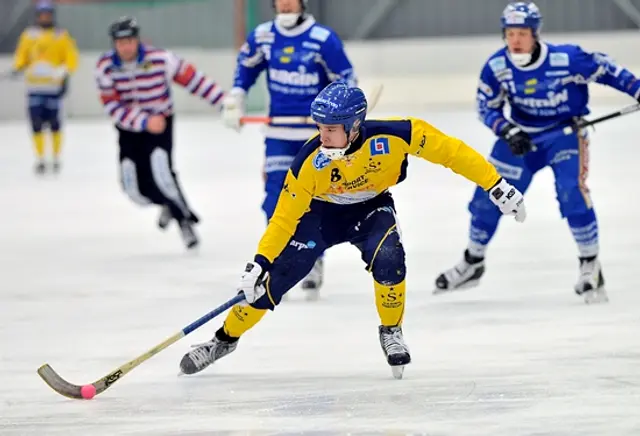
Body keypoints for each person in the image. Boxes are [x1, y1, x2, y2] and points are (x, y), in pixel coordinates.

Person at [178, 81, 526, 379]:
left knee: (390, 259)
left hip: (371, 209)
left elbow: (453, 153)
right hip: (320, 216)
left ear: (355, 126)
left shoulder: (398, 134)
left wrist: (495, 185)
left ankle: (391, 331)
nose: (322, 136)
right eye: (320, 128)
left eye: (330, 129)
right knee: (271, 283)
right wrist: (259, 262)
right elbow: (283, 219)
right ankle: (222, 340)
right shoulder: (308, 162)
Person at [434, 2, 640, 303]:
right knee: (487, 198)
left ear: (536, 33)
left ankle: (590, 265)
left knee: (571, 192)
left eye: (522, 33)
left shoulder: (567, 59)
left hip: (564, 135)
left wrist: (637, 89)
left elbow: (607, 69)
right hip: (521, 138)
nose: (515, 40)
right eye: (510, 33)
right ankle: (473, 262)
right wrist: (506, 130)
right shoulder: (497, 67)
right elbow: (485, 107)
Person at [221, 0, 357, 294]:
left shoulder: (323, 39)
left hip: (316, 136)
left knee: (314, 202)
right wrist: (237, 96)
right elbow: (246, 67)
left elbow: (346, 78)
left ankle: (313, 258)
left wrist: (340, 111)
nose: (284, 4)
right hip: (279, 134)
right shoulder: (262, 36)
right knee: (275, 200)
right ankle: (280, 256)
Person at [94, 17, 225, 249]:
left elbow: (194, 80)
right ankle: (168, 205)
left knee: (162, 170)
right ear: (114, 44)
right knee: (132, 186)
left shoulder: (161, 59)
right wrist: (143, 121)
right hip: (130, 130)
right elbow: (110, 105)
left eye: (129, 41)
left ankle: (184, 221)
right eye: (120, 42)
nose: (125, 47)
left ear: (137, 40)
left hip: (161, 126)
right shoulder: (105, 67)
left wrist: (224, 103)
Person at [11, 0, 79, 174]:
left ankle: (56, 157)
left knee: (55, 124)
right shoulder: (29, 35)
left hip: (53, 88)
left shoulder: (60, 35)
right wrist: (18, 66)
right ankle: (40, 158)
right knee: (36, 123)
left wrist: (64, 71)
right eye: (42, 15)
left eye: (47, 15)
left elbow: (71, 57)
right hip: (34, 87)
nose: (45, 18)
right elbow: (21, 55)